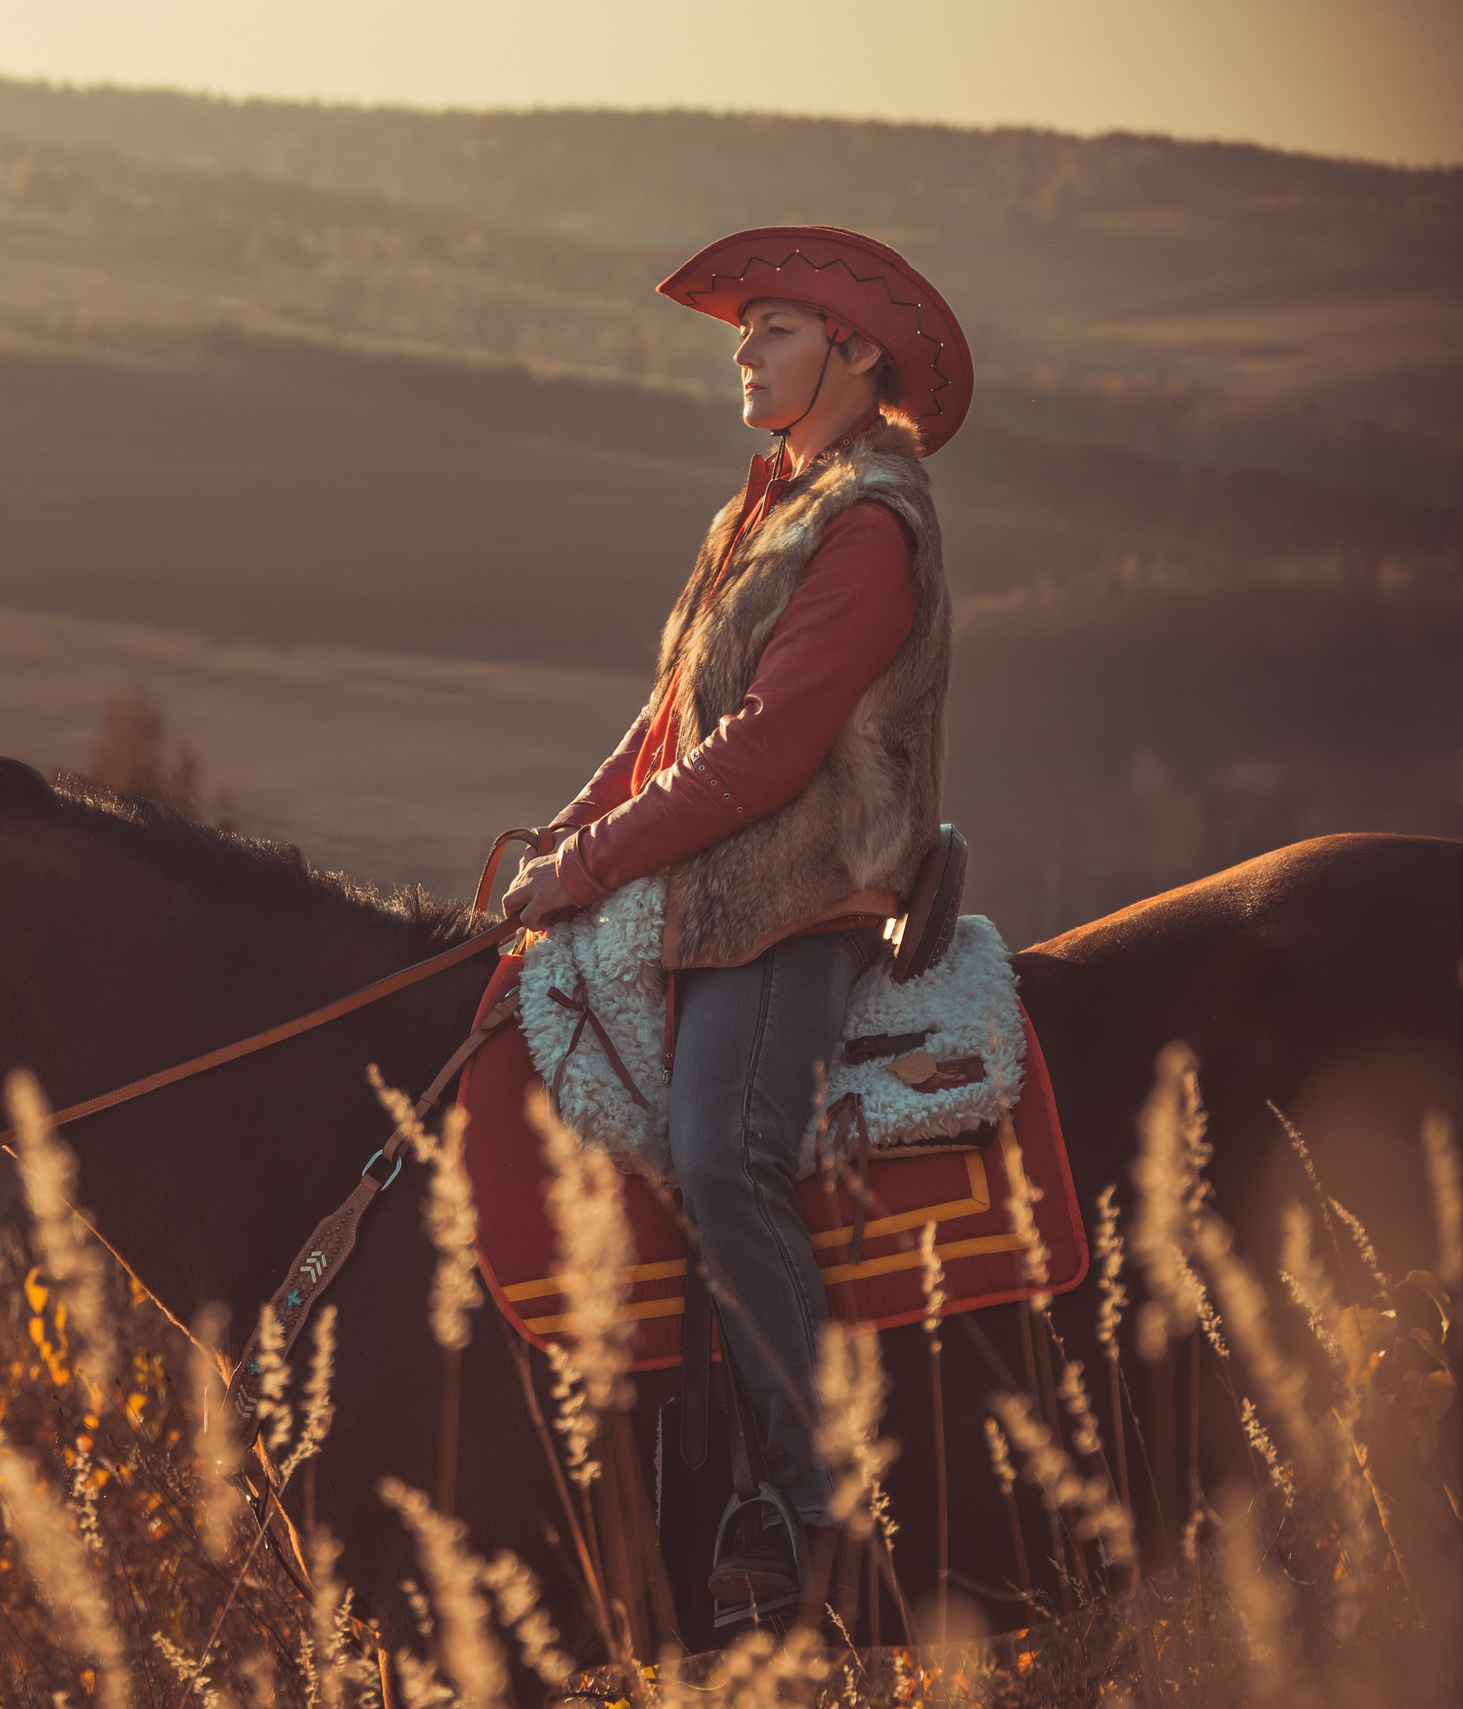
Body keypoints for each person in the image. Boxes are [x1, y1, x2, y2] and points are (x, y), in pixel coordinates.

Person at [498, 226, 972, 1609]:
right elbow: (667, 731)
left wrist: (589, 873)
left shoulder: (872, 519)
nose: (741, 349)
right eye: (747, 327)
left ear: (856, 350)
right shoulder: (764, 507)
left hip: (800, 905)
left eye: (771, 327)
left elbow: (770, 751)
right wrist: (569, 839)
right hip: (705, 900)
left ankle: (820, 1505)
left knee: (723, 1151)